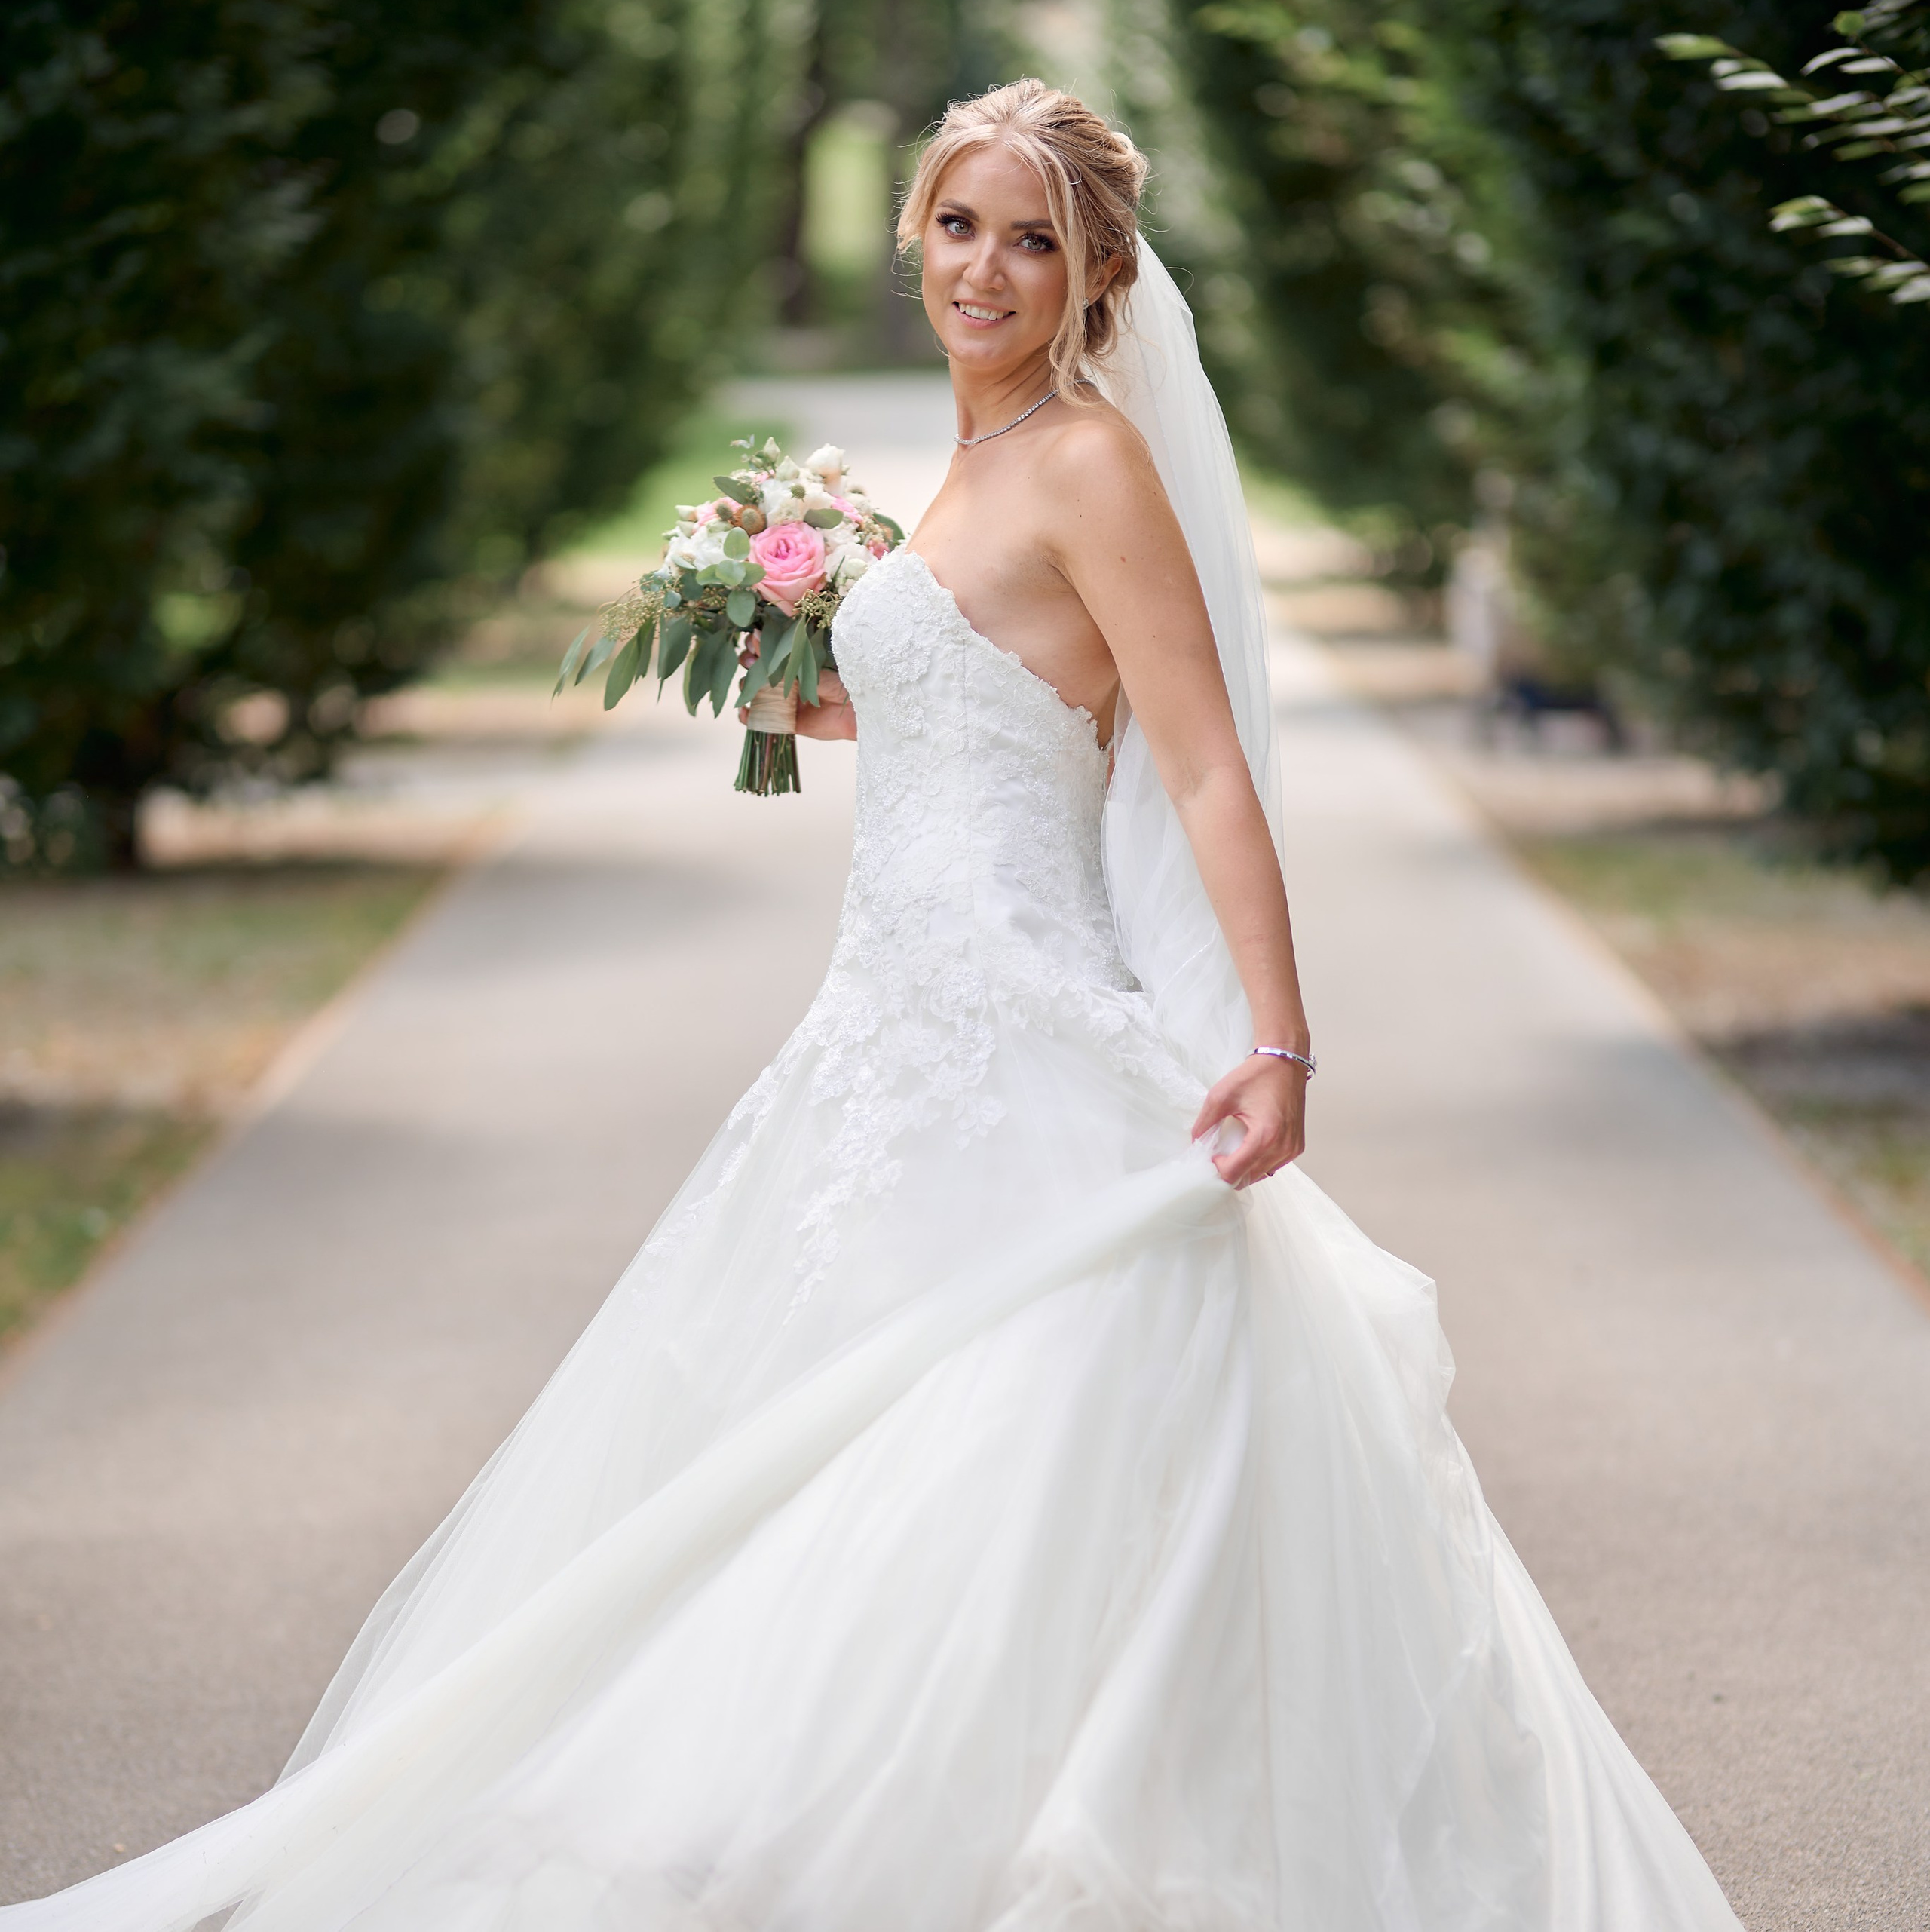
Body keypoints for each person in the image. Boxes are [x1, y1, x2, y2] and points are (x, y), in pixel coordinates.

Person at [2, 79, 1745, 1931]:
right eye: (958, 226)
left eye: (1032, 240)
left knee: (1016, 1425)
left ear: (1091, 279)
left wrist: (1279, 1040)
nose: (984, 267)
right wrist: (833, 697)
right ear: (910, 236)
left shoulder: (1083, 461)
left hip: (1026, 1034)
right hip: (875, 1040)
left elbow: (1202, 767)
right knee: (822, 1444)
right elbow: (990, 714)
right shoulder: (964, 472)